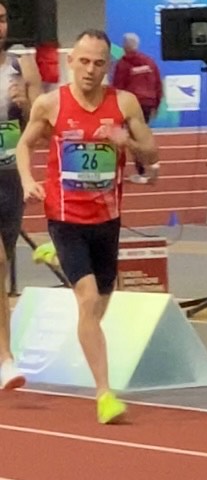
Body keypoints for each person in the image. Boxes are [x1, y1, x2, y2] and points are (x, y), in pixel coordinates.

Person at [16, 30, 159, 424]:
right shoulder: (49, 104)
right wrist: (29, 181)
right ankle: (104, 394)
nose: (90, 70)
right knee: (87, 298)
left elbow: (152, 152)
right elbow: (24, 144)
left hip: (106, 219)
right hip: (64, 216)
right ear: (70, 62)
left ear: (107, 66)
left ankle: (52, 256)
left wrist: (125, 140)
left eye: (98, 63)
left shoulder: (124, 103)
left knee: (99, 306)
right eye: (83, 61)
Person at [0, 0, 43, 391]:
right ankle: (5, 357)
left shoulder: (20, 66)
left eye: (1, 18)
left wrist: (25, 104)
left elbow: (38, 130)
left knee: (2, 264)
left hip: (9, 176)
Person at [112, 33, 163, 183]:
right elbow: (157, 84)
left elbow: (118, 87)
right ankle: (151, 168)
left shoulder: (122, 65)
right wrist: (156, 104)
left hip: (133, 105)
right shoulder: (149, 61)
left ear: (124, 47)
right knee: (143, 136)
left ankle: (143, 172)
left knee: (133, 140)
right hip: (147, 103)